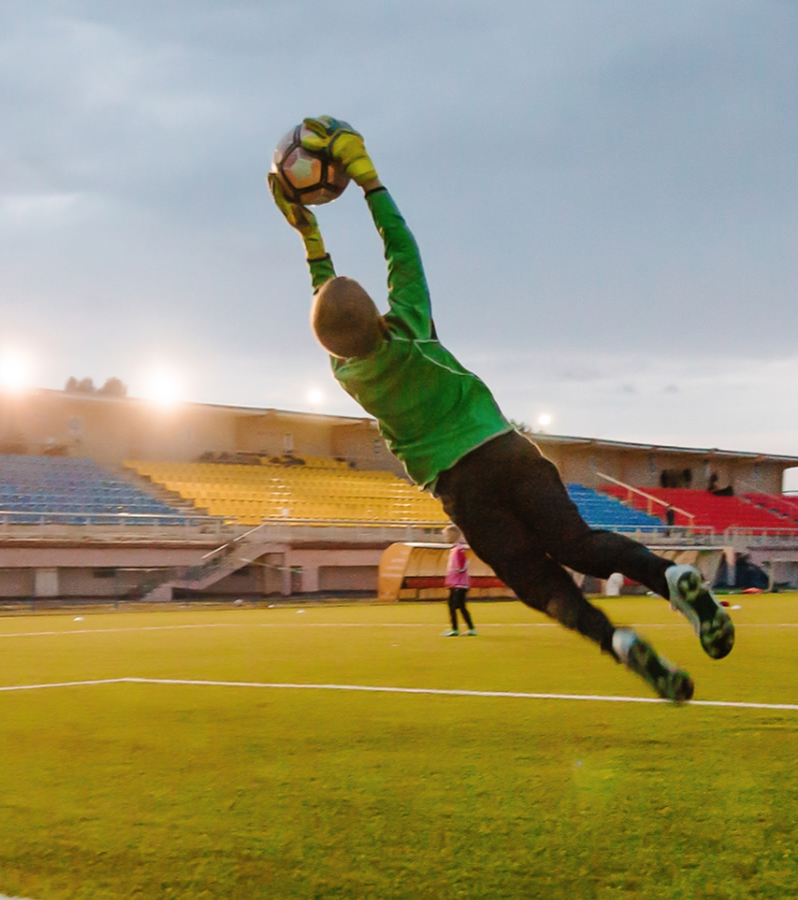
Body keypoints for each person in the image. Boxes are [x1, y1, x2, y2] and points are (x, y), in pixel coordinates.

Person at [269, 117, 733, 702]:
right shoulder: (411, 327)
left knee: (539, 582)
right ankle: (672, 577)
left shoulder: (348, 375)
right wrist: (367, 180)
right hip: (507, 451)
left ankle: (616, 643)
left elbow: (330, 308)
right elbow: (400, 247)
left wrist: (309, 238)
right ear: (374, 311)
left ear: (328, 347)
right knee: (579, 544)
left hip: (463, 488)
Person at [441, 526, 476, 637]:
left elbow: (463, 563)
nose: (445, 537)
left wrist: (460, 569)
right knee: (455, 605)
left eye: (447, 535)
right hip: (455, 582)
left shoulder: (458, 549)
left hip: (459, 583)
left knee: (458, 605)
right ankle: (459, 629)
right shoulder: (455, 549)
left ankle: (462, 629)